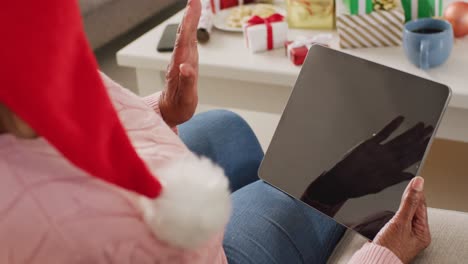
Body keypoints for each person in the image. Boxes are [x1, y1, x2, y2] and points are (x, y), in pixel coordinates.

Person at [0, 0, 430, 263]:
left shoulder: (21, 61)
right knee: (304, 183)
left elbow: (84, 104)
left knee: (228, 128)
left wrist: (160, 111)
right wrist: (381, 250)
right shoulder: (66, 224)